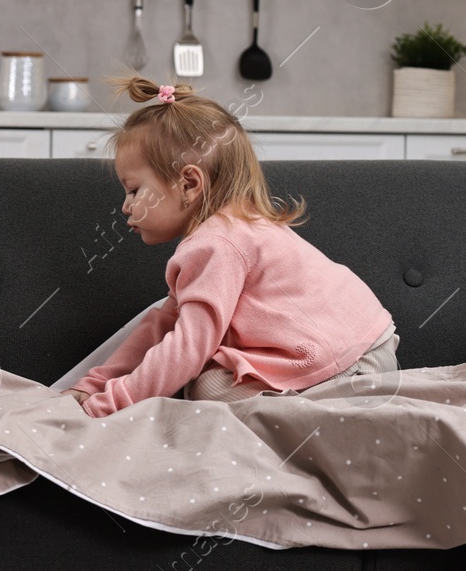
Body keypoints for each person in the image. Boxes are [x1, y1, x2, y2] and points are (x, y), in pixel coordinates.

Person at [60, 75, 398, 418]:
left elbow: (187, 348)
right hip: (368, 344)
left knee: (204, 386)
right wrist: (94, 383)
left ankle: (306, 412)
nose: (125, 207)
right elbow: (164, 324)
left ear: (189, 184)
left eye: (133, 191)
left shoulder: (215, 244)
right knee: (197, 362)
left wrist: (104, 407)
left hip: (349, 367)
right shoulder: (234, 227)